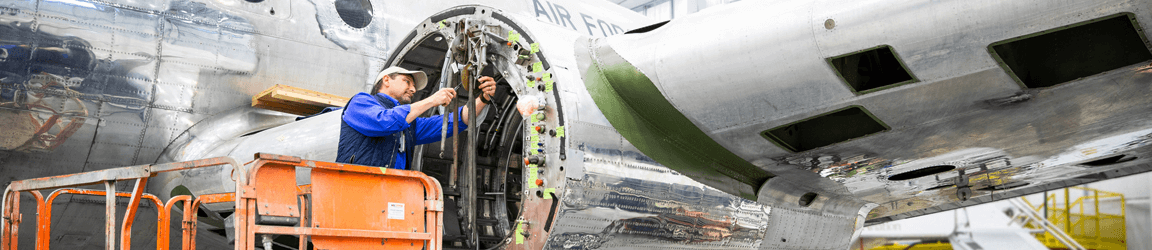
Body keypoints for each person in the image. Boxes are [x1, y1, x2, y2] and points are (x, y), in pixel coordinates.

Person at [336, 66, 496, 169]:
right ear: (386, 80)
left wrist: (483, 98)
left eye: (414, 86)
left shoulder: (409, 124)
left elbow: (453, 122)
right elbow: (384, 122)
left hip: (390, 194)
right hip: (357, 190)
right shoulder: (361, 102)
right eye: (407, 81)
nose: (413, 89)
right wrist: (432, 100)